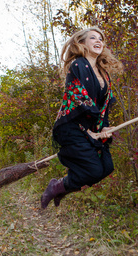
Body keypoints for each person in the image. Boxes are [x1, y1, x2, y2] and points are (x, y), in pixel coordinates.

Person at [40, 26, 123, 209]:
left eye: (101, 38)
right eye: (93, 38)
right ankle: (55, 186)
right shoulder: (78, 65)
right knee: (93, 170)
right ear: (82, 43)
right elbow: (78, 97)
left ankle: (60, 187)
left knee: (106, 167)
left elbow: (104, 106)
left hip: (90, 130)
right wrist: (88, 130)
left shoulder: (103, 74)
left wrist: (104, 128)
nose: (98, 41)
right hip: (71, 127)